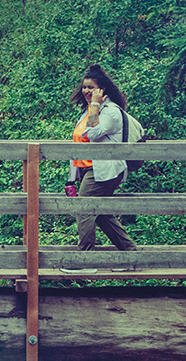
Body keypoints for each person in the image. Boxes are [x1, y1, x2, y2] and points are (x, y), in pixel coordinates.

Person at [68, 64, 137, 251]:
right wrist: (71, 179)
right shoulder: (88, 112)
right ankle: (130, 253)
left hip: (104, 170)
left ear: (101, 89)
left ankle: (85, 259)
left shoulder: (111, 111)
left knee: (84, 210)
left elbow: (92, 133)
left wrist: (96, 105)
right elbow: (78, 142)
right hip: (87, 169)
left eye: (91, 87)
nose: (86, 91)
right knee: (101, 213)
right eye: (84, 87)